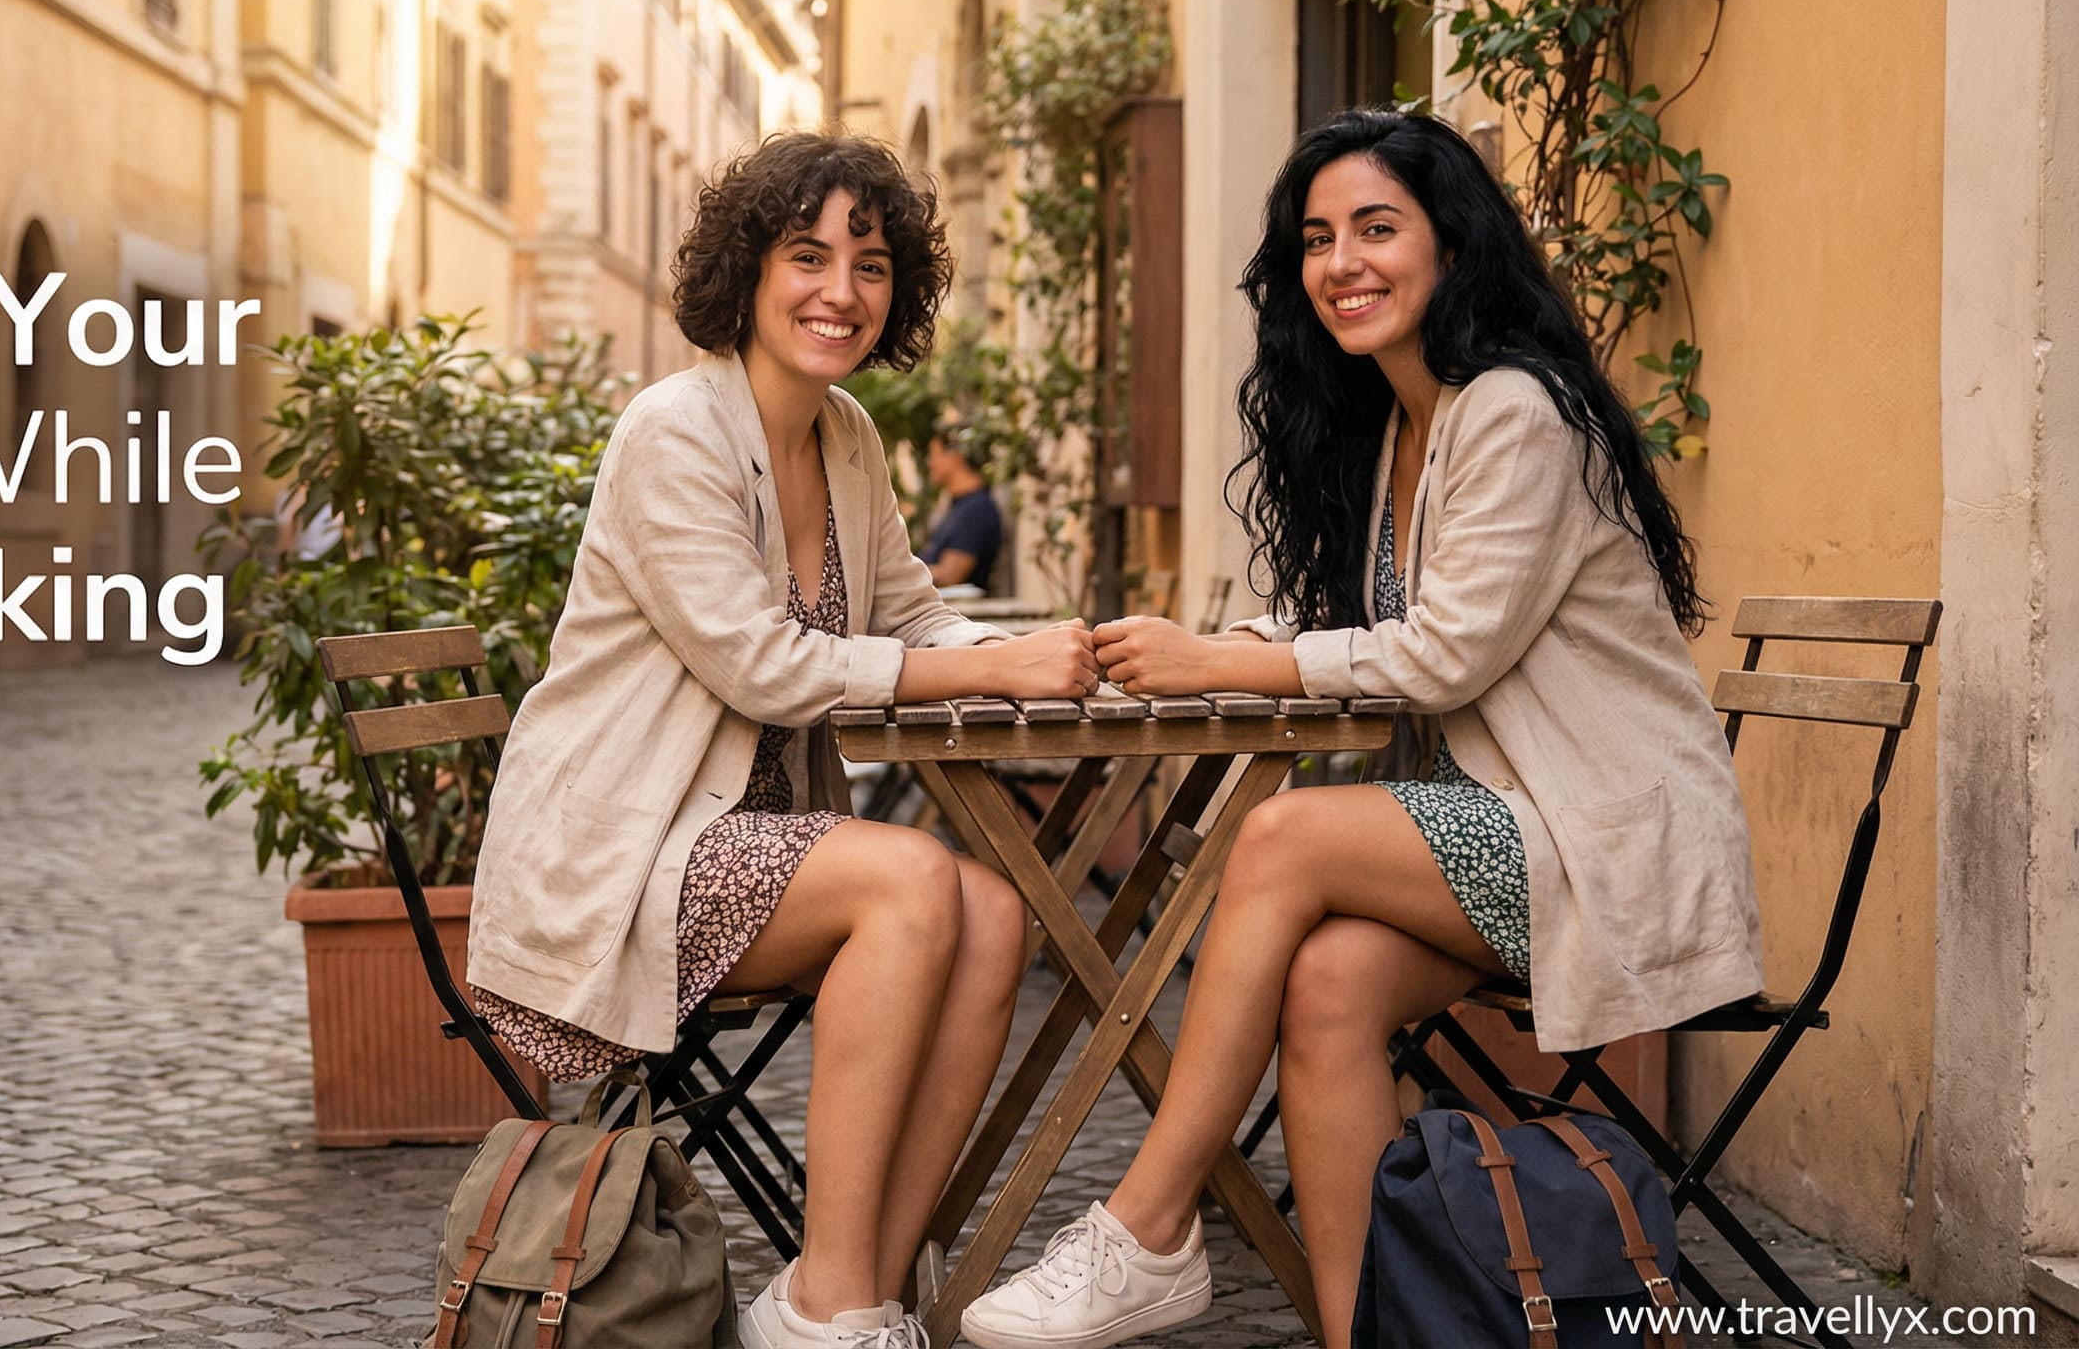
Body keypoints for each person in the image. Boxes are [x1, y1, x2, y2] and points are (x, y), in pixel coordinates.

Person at [957, 108, 1763, 1349]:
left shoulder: (1512, 409)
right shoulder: (1399, 423)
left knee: (1281, 841)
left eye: (1376, 228)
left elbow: (1443, 653)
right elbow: (1381, 625)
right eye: (1317, 239)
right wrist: (1224, 646)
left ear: (1453, 243)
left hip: (1602, 838)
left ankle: (1148, 1226)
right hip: (1501, 833)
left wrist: (1229, 661)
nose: (1341, 263)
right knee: (1329, 983)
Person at [465, 131, 1103, 1349]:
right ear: (748, 272)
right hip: (632, 850)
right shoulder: (675, 431)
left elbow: (910, 613)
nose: (839, 290)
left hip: (762, 845)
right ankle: (831, 1306)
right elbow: (758, 662)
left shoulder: (845, 434)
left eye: (871, 265)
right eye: (807, 256)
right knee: (909, 877)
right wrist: (988, 669)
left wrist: (1035, 653)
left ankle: (855, 1294)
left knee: (994, 916)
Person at [917, 425, 1004, 592]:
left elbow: (950, 575)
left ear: (955, 457)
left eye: (934, 454)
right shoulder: (959, 506)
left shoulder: (976, 510)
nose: (930, 463)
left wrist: (902, 577)